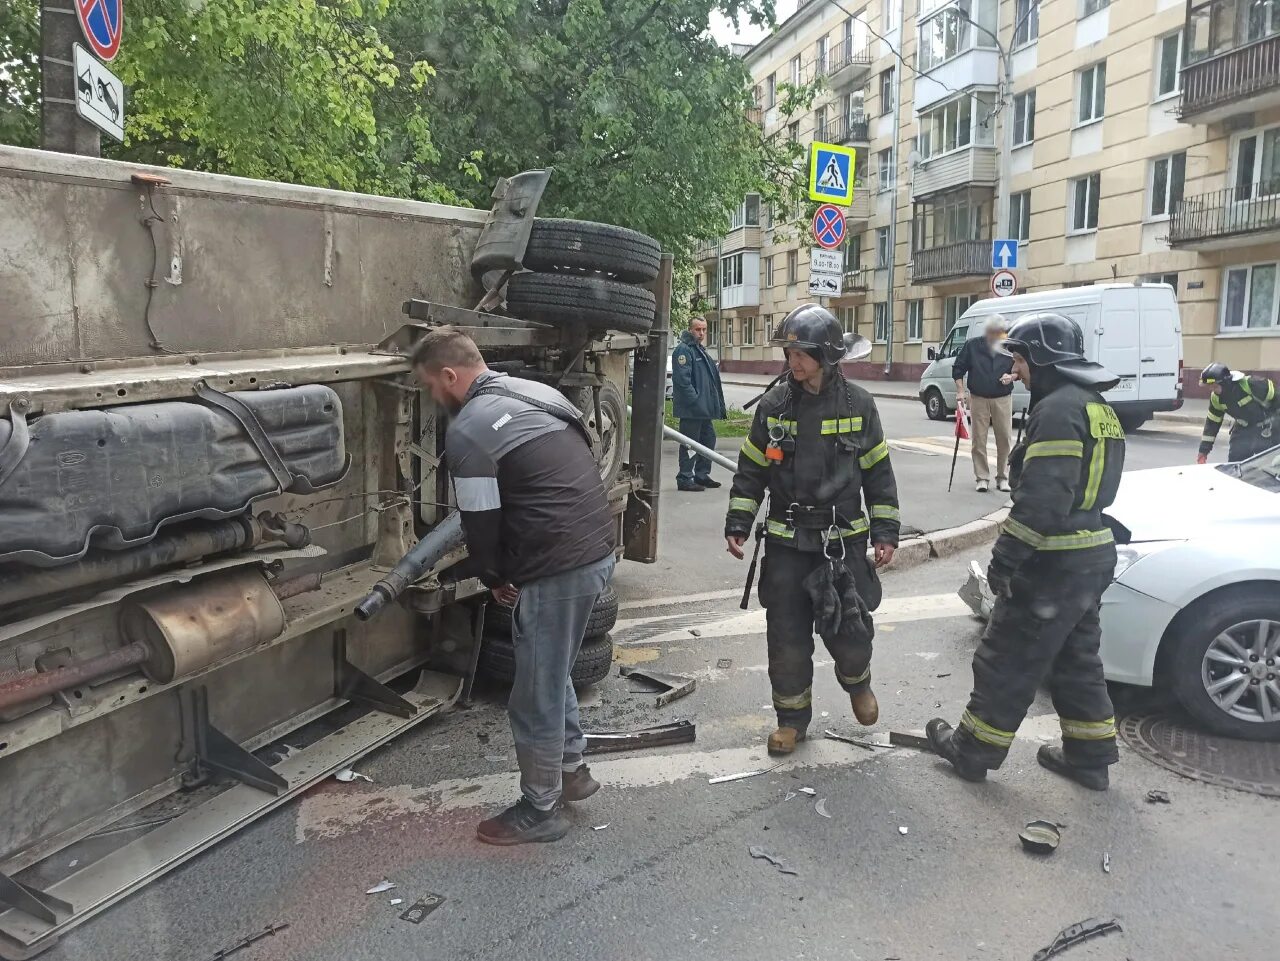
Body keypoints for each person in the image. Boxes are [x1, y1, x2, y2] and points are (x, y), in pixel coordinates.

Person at [412, 327, 615, 845]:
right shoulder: (536, 393)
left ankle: (540, 807)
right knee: (551, 669)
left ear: (451, 375)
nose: (435, 400)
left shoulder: (470, 431)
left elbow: (480, 521)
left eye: (432, 387)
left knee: (533, 693)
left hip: (558, 563)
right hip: (594, 549)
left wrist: (495, 576)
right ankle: (571, 769)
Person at [927, 312, 1125, 791]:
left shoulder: (1058, 410)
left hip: (1053, 562)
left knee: (1007, 657)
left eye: (1018, 358)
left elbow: (1041, 503)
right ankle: (1089, 757)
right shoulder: (1096, 405)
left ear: (1042, 358)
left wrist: (1005, 561)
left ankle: (971, 751)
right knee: (1077, 659)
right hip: (1091, 554)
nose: (1014, 369)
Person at [724, 304, 900, 756]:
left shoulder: (860, 405)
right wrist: (739, 521)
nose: (792, 362)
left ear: (825, 354)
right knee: (785, 637)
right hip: (786, 543)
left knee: (851, 631)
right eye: (788, 353)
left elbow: (879, 474)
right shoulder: (774, 405)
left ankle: (857, 684)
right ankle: (791, 721)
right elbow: (751, 471)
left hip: (841, 543)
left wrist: (885, 531)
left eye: (799, 354)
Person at [953, 316, 1016, 492]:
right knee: (978, 439)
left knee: (1004, 438)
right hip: (978, 397)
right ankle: (982, 477)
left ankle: (1003, 477)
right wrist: (960, 390)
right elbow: (958, 368)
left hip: (1003, 397)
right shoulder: (972, 346)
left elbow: (1019, 367)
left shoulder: (1009, 346)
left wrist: (1012, 376)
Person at [671, 316, 728, 492]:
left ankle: (701, 475)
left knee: (708, 440)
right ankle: (685, 478)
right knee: (690, 444)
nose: (702, 333)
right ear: (690, 330)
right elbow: (682, 381)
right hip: (692, 410)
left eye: (704, 329)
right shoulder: (684, 350)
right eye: (698, 329)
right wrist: (694, 401)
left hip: (702, 410)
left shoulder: (700, 350)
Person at [1197, 363, 1277, 464]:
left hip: (1269, 428)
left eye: (1214, 386)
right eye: (1209, 387)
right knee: (1235, 463)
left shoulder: (1253, 384)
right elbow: (1212, 423)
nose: (1212, 390)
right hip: (1244, 429)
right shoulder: (1216, 398)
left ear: (1225, 383)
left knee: (1267, 464)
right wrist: (1203, 451)